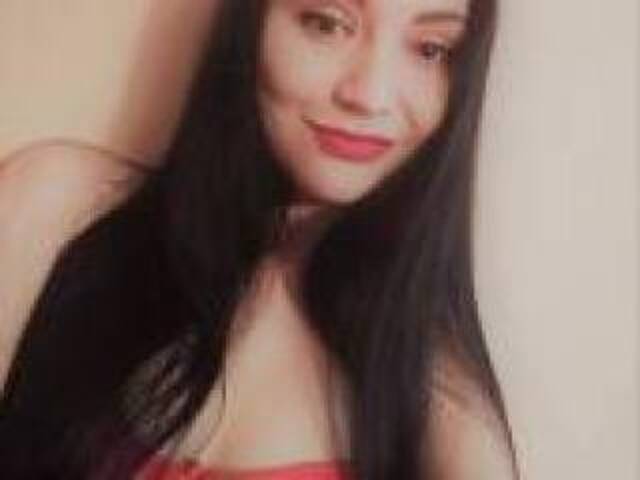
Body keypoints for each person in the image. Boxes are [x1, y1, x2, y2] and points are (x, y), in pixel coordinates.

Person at [0, 0, 519, 479]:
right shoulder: (59, 204)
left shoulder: (438, 392)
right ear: (251, 21)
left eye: (430, 49)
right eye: (327, 24)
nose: (370, 95)